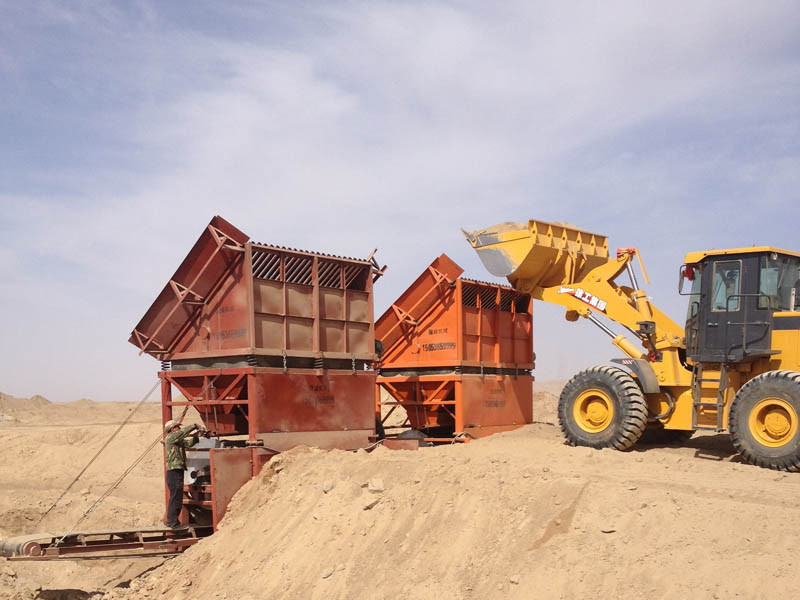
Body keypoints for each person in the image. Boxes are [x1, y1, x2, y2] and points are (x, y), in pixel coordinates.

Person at [163, 419, 202, 529]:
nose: (179, 428)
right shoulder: (171, 437)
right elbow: (182, 433)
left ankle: (171, 521)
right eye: (177, 427)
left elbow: (188, 443)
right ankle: (173, 523)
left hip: (176, 471)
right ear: (172, 429)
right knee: (176, 497)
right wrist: (194, 425)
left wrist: (196, 437)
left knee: (176, 497)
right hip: (174, 471)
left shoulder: (176, 441)